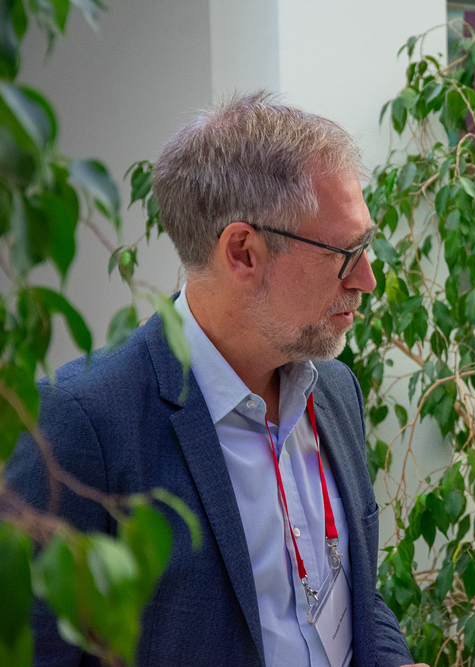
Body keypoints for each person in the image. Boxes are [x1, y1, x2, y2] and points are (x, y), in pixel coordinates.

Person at [6, 92, 425, 667]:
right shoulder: (84, 423)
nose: (368, 279)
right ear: (243, 252)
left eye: (367, 246)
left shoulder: (334, 391)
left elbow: (350, 596)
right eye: (345, 253)